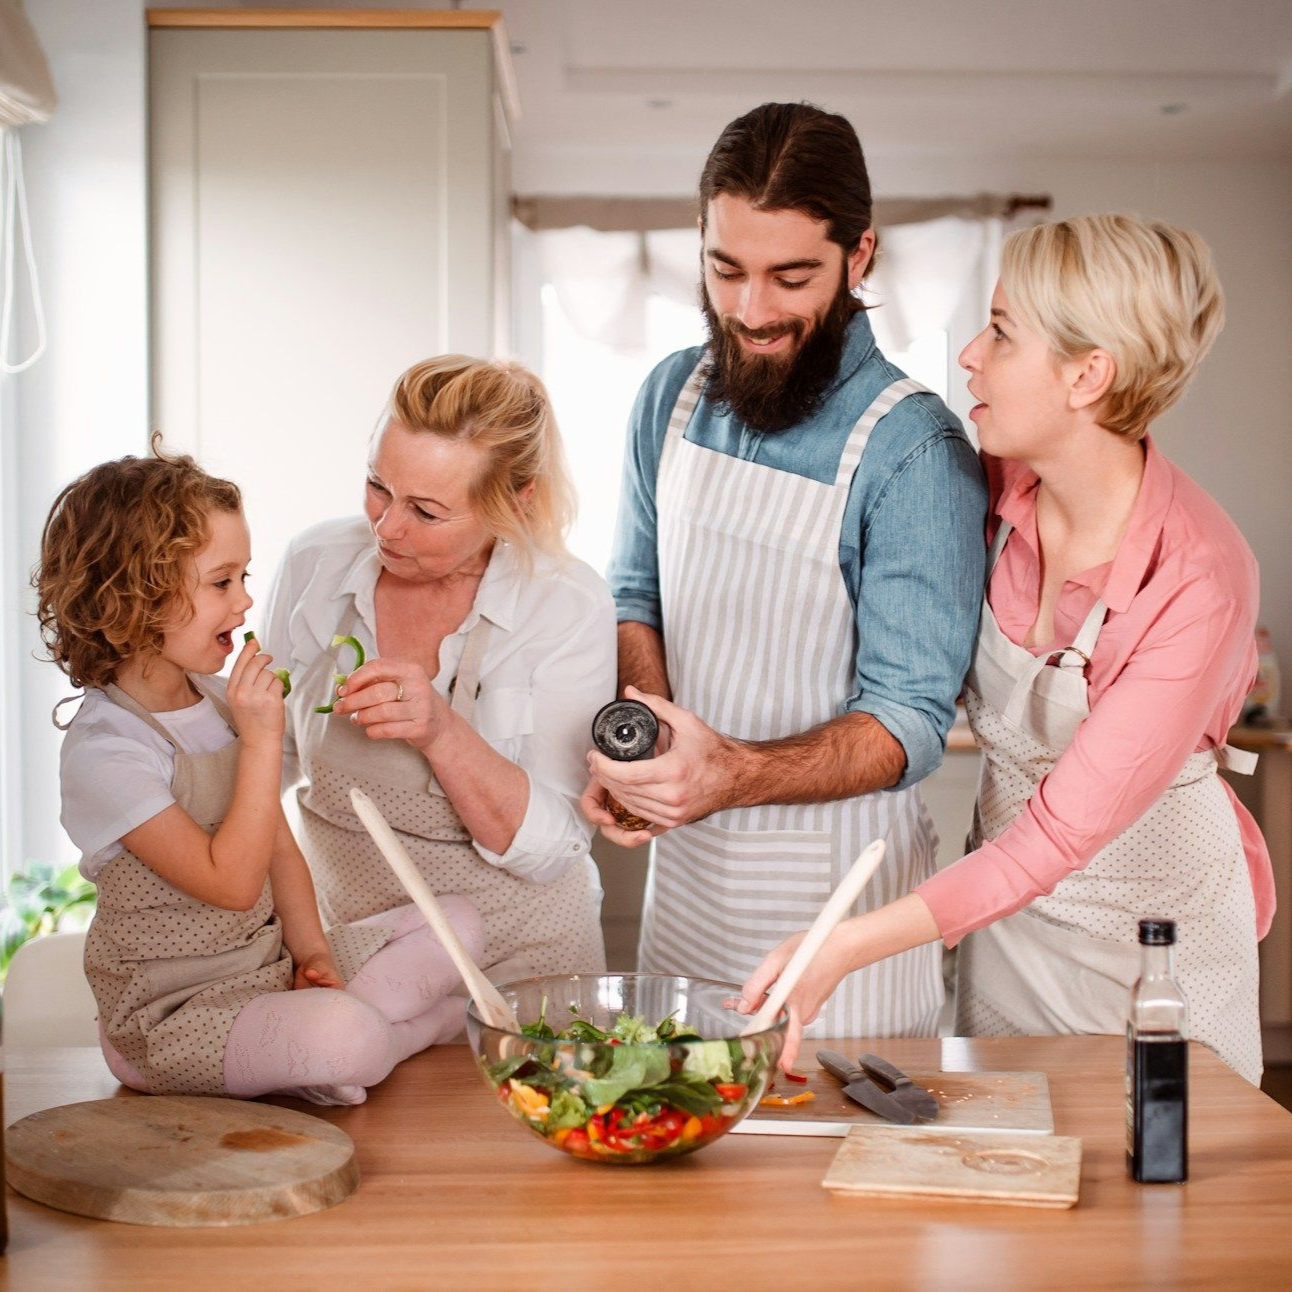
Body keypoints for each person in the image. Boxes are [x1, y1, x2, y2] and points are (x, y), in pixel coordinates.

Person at [745, 214, 1273, 1085]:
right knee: (1009, 1161)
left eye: (1000, 331)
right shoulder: (988, 491)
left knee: (1164, 1186)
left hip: (1156, 947)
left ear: (1087, 376)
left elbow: (1058, 837)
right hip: (1006, 920)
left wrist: (842, 946)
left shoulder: (1200, 579)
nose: (969, 356)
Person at [583, 102, 987, 1037]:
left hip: (843, 925)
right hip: (684, 896)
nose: (753, 311)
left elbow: (907, 723)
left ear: (861, 257)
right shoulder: (668, 396)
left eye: (790, 276)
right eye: (726, 271)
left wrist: (729, 772)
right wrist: (647, 744)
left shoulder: (914, 452)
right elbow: (634, 593)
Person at [39, 444, 482, 1105]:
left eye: (245, 576)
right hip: (175, 1018)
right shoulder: (108, 751)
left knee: (459, 923)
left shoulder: (216, 700)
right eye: (222, 583)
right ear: (133, 600)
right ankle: (382, 1039)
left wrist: (313, 957)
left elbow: (276, 847)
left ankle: (345, 1043)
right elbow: (234, 883)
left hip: (266, 974)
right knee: (348, 1035)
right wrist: (263, 739)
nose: (246, 602)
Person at [263, 356, 612, 985]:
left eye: (425, 511)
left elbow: (556, 844)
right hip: (354, 956)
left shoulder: (565, 603)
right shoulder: (314, 564)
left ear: (515, 497)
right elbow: (266, 759)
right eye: (377, 486)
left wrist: (442, 733)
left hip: (520, 964)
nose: (387, 527)